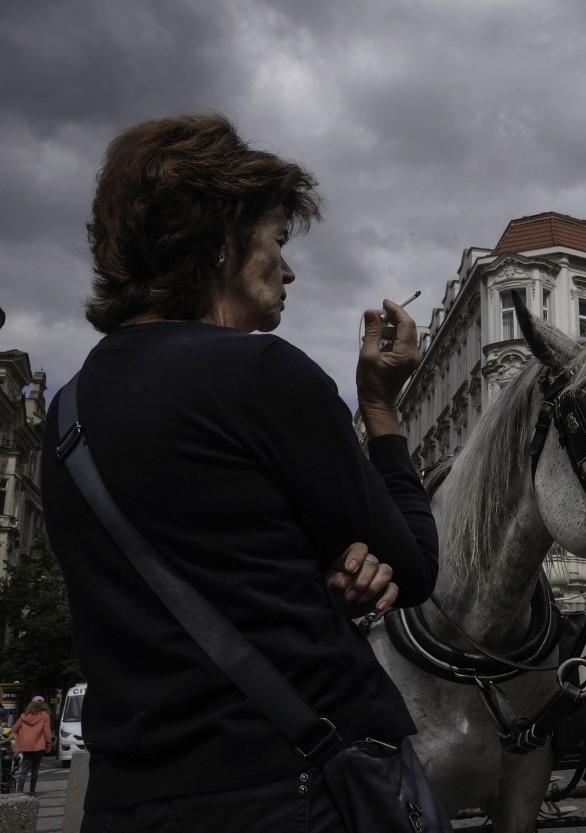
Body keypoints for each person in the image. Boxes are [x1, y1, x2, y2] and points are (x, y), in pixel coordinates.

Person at [41, 114, 439, 832]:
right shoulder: (261, 373)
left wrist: (306, 578)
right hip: (296, 791)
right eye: (278, 242)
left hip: (130, 801)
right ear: (223, 240)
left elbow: (208, 570)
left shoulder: (66, 415)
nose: (288, 270)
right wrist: (379, 407)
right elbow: (413, 566)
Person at [13, 697, 52, 794]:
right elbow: (47, 732)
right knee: (35, 768)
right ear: (43, 705)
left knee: (25, 768)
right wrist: (48, 744)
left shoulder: (23, 716)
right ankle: (32, 791)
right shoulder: (45, 716)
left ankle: (20, 790)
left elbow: (14, 729)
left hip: (26, 745)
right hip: (38, 746)